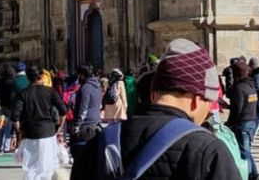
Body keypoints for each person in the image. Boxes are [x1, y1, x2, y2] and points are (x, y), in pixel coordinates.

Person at [70, 38, 242, 180]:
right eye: (210, 103)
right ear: (197, 100)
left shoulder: (98, 144)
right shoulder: (208, 151)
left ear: (153, 95)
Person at [12, 66, 67, 180]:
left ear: (28, 78)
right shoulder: (49, 91)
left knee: (31, 166)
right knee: (48, 165)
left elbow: (15, 116)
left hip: (30, 133)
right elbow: (63, 110)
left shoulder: (23, 94)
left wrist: (20, 132)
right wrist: (60, 128)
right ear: (41, 76)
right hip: (48, 132)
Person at [227, 60, 259, 180]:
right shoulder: (251, 85)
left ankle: (250, 175)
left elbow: (238, 108)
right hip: (252, 120)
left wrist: (230, 122)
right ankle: (254, 175)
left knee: (244, 152)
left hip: (243, 123)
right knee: (247, 151)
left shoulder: (239, 87)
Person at [70, 64, 102, 155]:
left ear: (82, 75)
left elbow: (83, 109)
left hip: (85, 127)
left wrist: (76, 126)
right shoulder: (97, 86)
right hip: (95, 124)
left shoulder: (85, 88)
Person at [0, 65, 16, 153]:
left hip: (3, 105)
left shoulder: (1, 82)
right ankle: (6, 147)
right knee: (9, 126)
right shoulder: (13, 83)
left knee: (2, 127)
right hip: (10, 106)